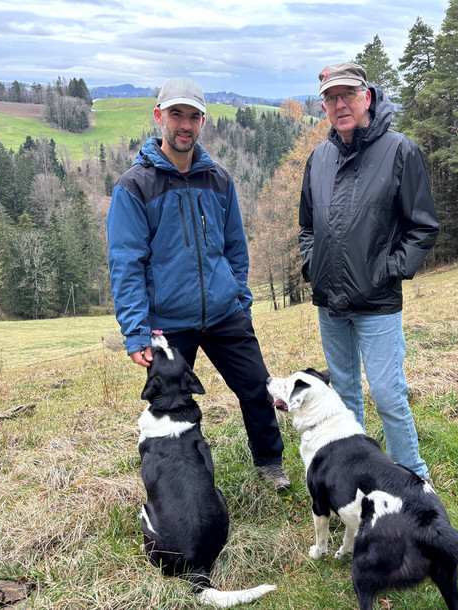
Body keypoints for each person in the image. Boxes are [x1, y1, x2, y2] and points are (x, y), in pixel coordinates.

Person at [107, 78, 289, 490]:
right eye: (176, 114)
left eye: (193, 116)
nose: (185, 125)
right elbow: (126, 263)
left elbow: (235, 247)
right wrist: (136, 331)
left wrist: (239, 298)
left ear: (203, 121)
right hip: (168, 323)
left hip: (225, 313)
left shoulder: (219, 180)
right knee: (169, 405)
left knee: (256, 388)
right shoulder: (134, 186)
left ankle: (270, 462)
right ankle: (176, 480)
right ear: (159, 117)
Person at [298, 62, 439, 480]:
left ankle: (413, 478)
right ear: (323, 106)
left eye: (348, 95)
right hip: (329, 301)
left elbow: (423, 226)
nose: (340, 104)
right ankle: (357, 474)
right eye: (331, 98)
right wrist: (313, 264)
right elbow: (307, 226)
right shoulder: (319, 158)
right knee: (344, 393)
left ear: (367, 97)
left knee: (387, 394)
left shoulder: (400, 151)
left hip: (377, 300)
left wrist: (389, 270)